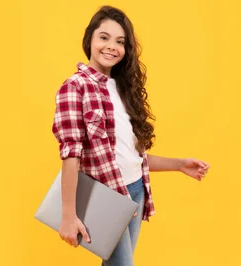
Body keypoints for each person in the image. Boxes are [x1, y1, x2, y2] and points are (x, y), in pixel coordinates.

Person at [51, 5, 210, 266]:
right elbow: (71, 154)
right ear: (89, 39)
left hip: (135, 191)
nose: (111, 46)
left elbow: (132, 157)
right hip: (106, 197)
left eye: (120, 41)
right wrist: (68, 215)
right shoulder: (75, 87)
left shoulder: (123, 89)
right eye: (104, 37)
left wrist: (179, 165)